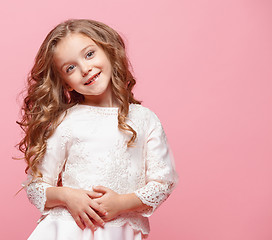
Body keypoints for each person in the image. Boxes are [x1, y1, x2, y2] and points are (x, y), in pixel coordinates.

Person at [17, 19, 179, 240]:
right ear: (65, 83)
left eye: (90, 54)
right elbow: (36, 187)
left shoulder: (145, 119)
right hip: (68, 231)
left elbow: (163, 183)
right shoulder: (66, 121)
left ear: (109, 51)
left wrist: (122, 203)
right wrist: (67, 196)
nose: (85, 69)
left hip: (119, 232)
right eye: (70, 68)